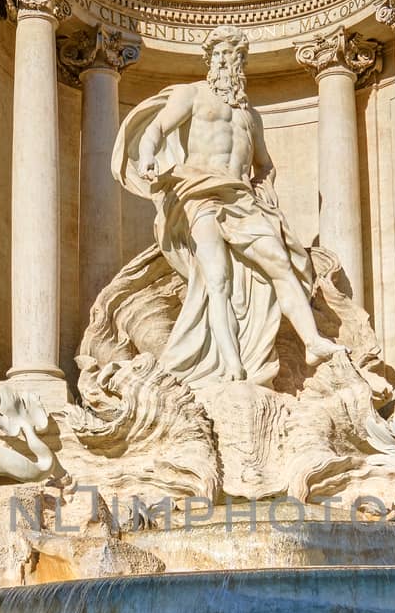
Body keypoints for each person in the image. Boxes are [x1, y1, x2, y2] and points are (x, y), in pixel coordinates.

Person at [113, 25, 344, 388]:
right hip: (200, 194)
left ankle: (312, 341)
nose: (226, 62)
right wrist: (147, 159)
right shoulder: (193, 95)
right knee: (216, 278)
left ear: (242, 63)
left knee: (282, 263)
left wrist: (265, 187)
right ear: (210, 61)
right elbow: (155, 130)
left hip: (241, 198)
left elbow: (264, 164)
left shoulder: (251, 117)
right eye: (220, 55)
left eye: (233, 56)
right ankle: (231, 364)